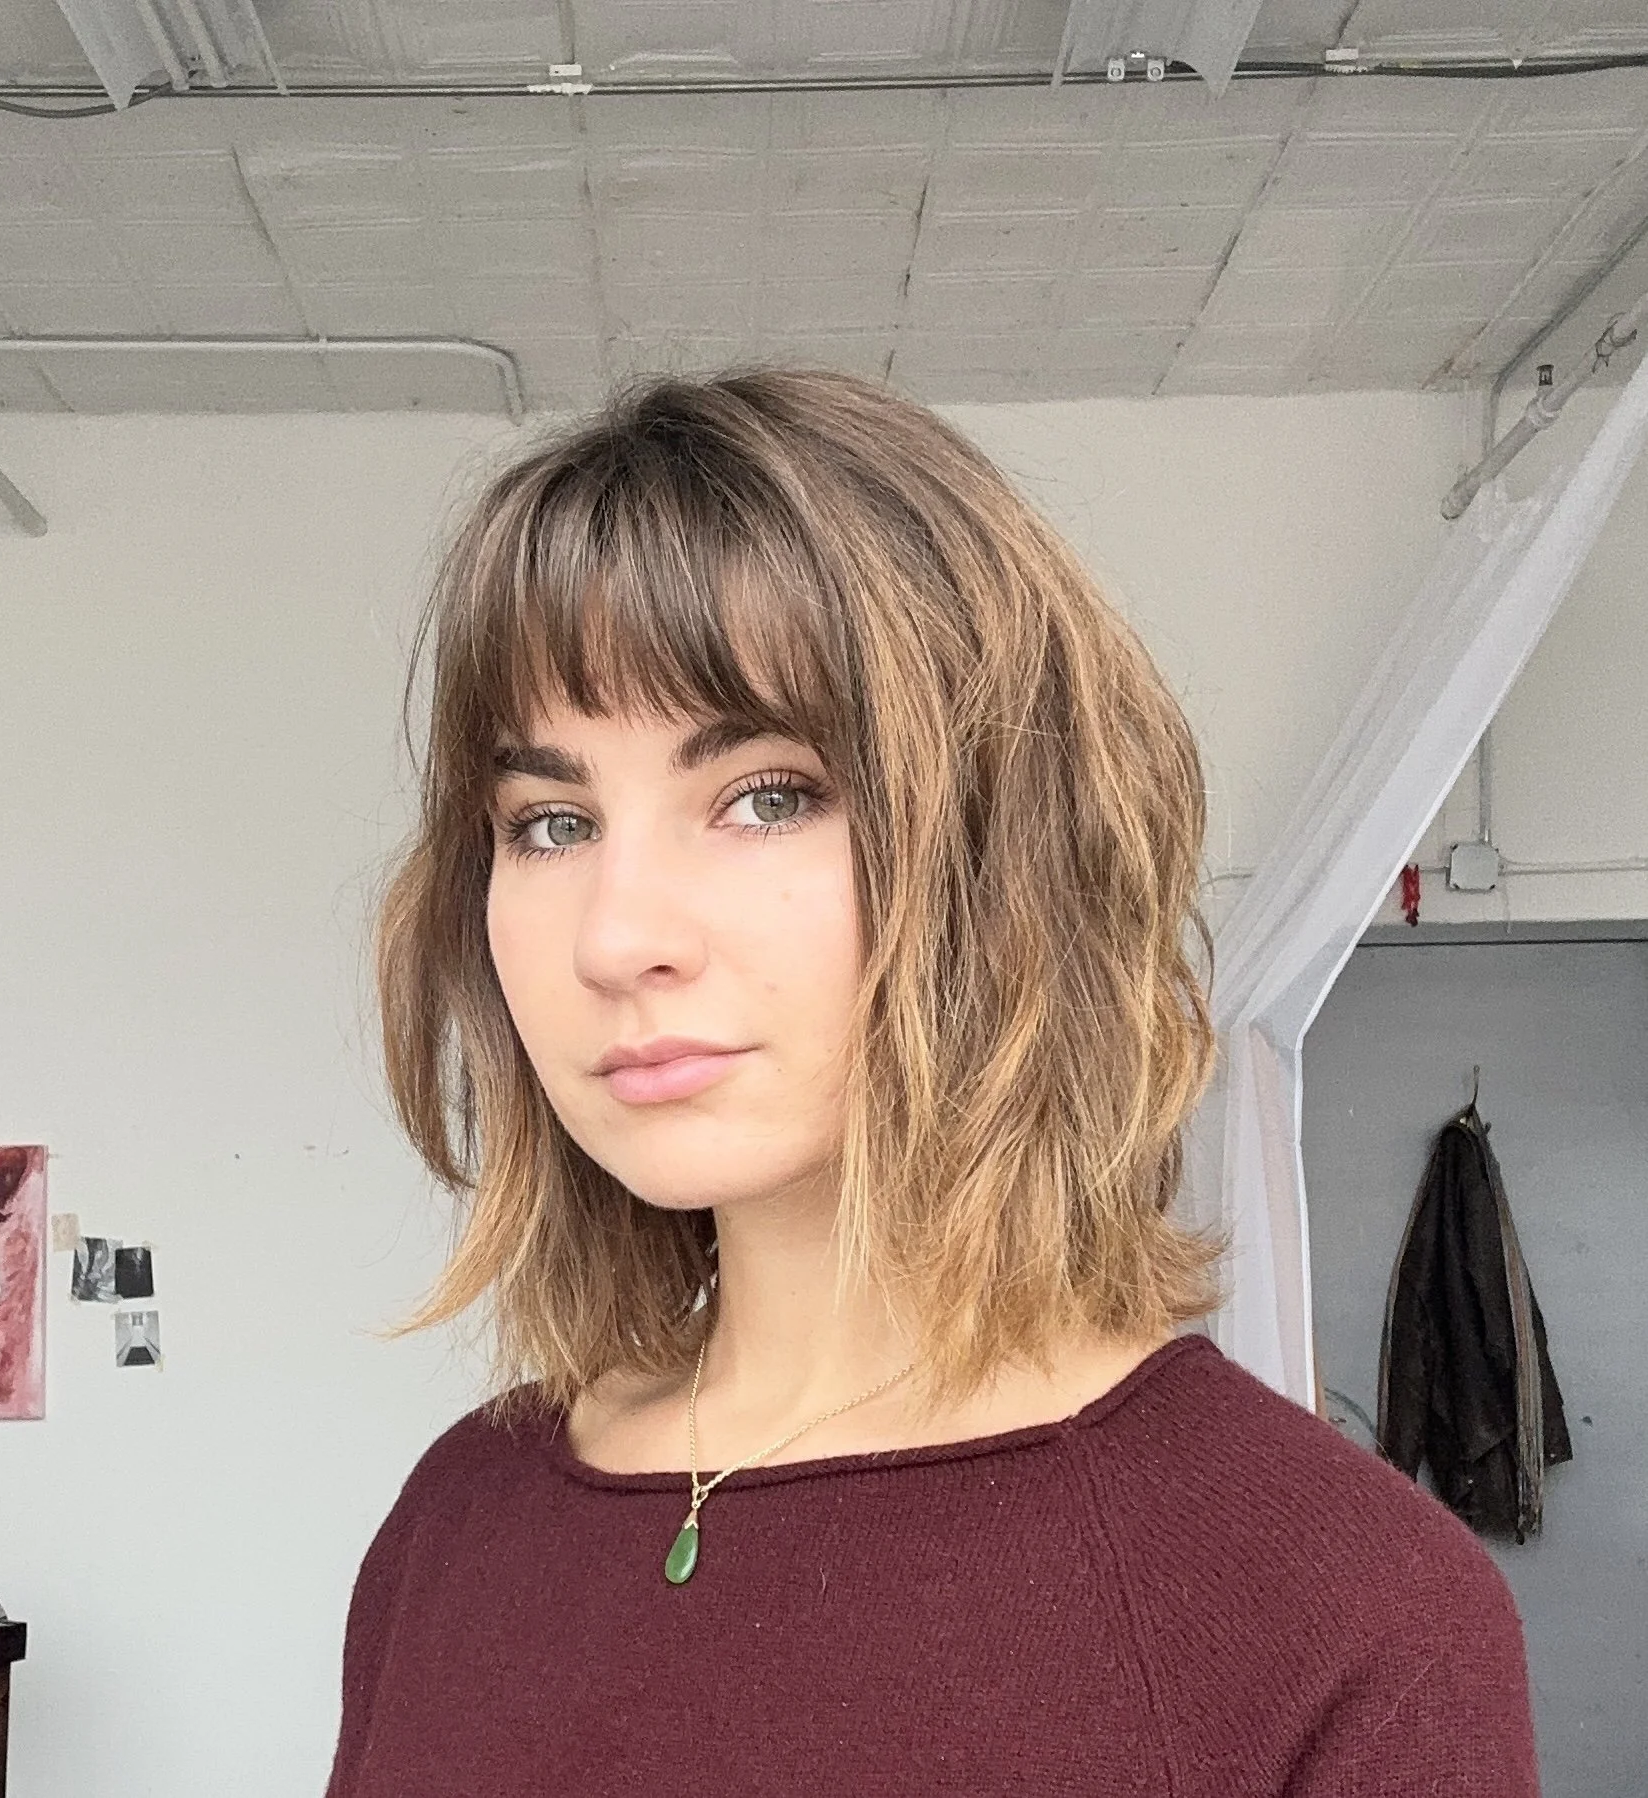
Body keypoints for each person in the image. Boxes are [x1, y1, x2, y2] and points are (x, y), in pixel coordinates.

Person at [326, 368, 1539, 1796]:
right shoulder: (456, 1522)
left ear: (1006, 850)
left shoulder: (1340, 1608)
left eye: (765, 795)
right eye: (549, 822)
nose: (615, 936)